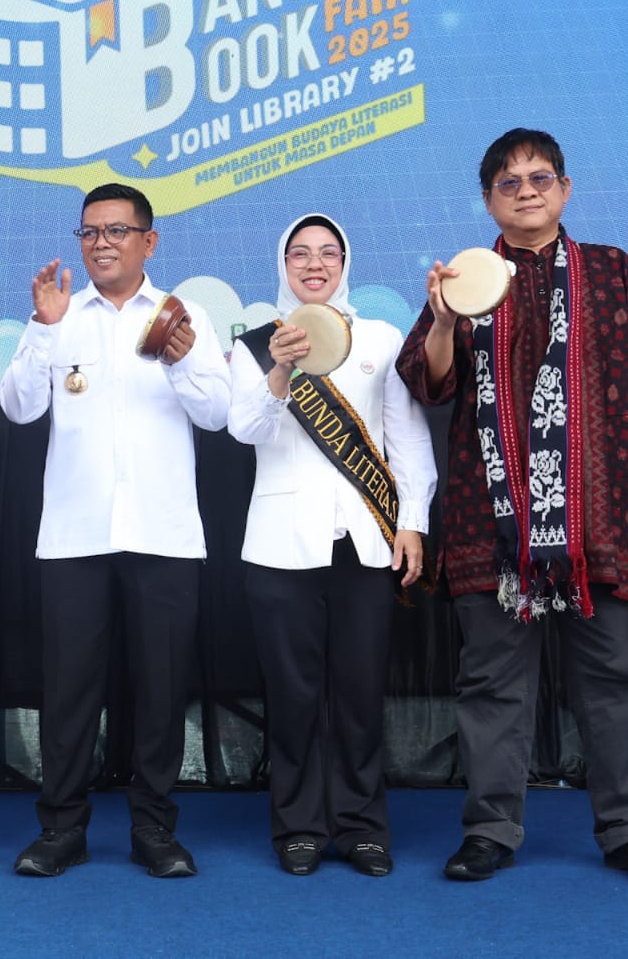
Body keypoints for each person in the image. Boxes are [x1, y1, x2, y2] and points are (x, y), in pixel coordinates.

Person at [396, 128, 628, 887]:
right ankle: (490, 829)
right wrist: (444, 320)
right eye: (509, 182)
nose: (527, 190)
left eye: (540, 177)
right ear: (488, 201)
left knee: (620, 678)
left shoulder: (612, 270)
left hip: (598, 517)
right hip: (492, 524)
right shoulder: (465, 279)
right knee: (492, 683)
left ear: (566, 190)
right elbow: (428, 384)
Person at [0, 182, 230, 878]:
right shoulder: (58, 315)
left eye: (117, 231)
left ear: (148, 241)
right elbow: (17, 408)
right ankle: (61, 829)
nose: (101, 243)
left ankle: (154, 829)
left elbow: (218, 414)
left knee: (160, 690)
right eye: (89, 232)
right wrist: (42, 328)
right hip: (75, 536)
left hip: (163, 534)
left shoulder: (184, 316)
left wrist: (182, 359)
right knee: (70, 690)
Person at [228, 213, 436, 877]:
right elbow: (244, 430)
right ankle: (298, 826)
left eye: (327, 253)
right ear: (283, 264)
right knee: (292, 696)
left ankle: (362, 826)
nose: (314, 264)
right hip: (280, 547)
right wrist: (280, 370)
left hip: (366, 545)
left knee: (360, 692)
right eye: (300, 254)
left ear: (345, 263)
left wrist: (412, 521)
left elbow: (407, 438)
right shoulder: (257, 343)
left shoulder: (380, 337)